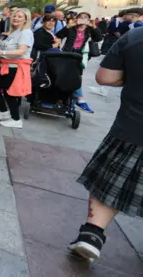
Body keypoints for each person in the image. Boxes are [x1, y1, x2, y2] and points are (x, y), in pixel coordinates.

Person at [68, 28, 143, 261]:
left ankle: (92, 234)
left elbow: (105, 77)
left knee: (110, 182)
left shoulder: (135, 37)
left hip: (133, 128)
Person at [0, 9, 34, 128]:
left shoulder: (25, 32)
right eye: (14, 16)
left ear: (26, 19)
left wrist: (1, 52)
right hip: (6, 65)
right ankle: (4, 112)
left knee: (10, 94)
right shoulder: (14, 32)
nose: (16, 18)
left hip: (15, 67)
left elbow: (21, 51)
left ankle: (16, 119)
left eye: (20, 16)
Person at [56, 12, 102, 113]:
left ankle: (72, 101)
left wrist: (94, 26)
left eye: (86, 17)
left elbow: (99, 38)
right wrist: (68, 26)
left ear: (89, 20)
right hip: (68, 53)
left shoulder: (90, 30)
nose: (83, 19)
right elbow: (58, 35)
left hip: (81, 55)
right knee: (67, 76)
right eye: (80, 17)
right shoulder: (72, 28)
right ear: (76, 19)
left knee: (76, 77)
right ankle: (77, 100)